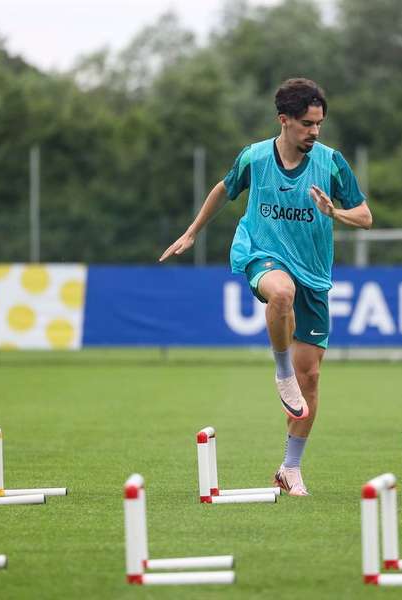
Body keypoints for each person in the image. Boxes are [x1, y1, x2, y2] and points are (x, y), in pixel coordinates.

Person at [159, 78, 372, 496]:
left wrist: (335, 213)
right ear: (284, 120)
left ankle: (290, 468)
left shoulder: (331, 163)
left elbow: (365, 216)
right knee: (280, 293)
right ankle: (280, 370)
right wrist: (192, 233)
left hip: (314, 273)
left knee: (309, 379)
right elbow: (225, 188)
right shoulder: (255, 158)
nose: (315, 132)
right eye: (307, 124)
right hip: (260, 251)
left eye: (319, 124)